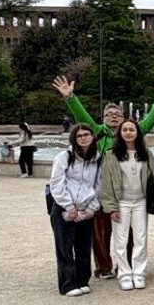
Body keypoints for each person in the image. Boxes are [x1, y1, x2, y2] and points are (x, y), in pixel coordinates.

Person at [53, 76, 154, 280]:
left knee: (130, 232)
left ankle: (127, 265)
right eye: (109, 114)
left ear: (124, 118)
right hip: (102, 190)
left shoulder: (130, 133)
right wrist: (70, 97)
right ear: (103, 118)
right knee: (100, 232)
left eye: (117, 114)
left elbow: (148, 122)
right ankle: (103, 266)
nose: (113, 116)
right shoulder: (97, 133)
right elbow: (82, 116)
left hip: (127, 193)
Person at [98, 119, 154, 291]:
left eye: (132, 129)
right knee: (121, 240)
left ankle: (139, 272)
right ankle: (124, 273)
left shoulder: (146, 153)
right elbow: (105, 183)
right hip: (121, 203)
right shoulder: (110, 155)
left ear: (137, 132)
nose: (128, 132)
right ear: (120, 133)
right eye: (125, 130)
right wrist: (111, 206)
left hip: (140, 202)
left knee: (140, 239)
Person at [48, 123, 101, 296]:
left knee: (83, 246)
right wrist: (68, 205)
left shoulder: (96, 158)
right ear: (74, 138)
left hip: (86, 208)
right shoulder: (64, 157)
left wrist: (92, 208)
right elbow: (56, 183)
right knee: (65, 247)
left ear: (92, 137)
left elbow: (99, 185)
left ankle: (82, 280)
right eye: (80, 135)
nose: (84, 137)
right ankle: (68, 284)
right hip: (64, 208)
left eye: (87, 134)